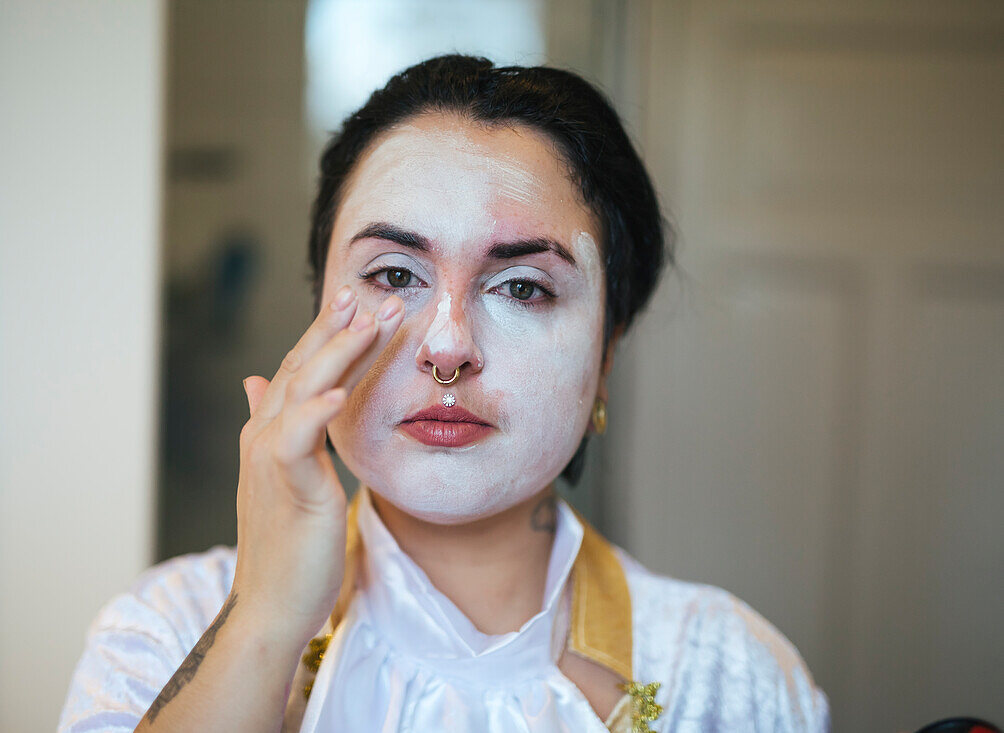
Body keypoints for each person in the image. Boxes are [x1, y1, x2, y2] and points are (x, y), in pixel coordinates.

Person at [58, 54, 830, 732]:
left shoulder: (734, 676)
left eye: (523, 287)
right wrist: (264, 620)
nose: (449, 346)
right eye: (395, 275)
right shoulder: (162, 629)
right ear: (317, 314)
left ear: (606, 353)